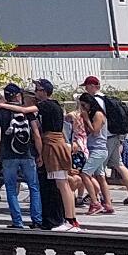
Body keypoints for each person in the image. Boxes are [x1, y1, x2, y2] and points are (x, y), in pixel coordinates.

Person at [84, 76, 128, 206]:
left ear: (92, 86)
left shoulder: (96, 101)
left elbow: (98, 121)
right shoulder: (107, 99)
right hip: (114, 136)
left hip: (105, 138)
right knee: (118, 164)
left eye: (87, 86)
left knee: (99, 169)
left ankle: (100, 195)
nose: (86, 89)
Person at [0, 82, 42, 230]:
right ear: (18, 95)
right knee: (34, 186)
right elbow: (36, 134)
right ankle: (37, 220)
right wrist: (40, 153)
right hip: (27, 153)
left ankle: (17, 221)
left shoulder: (0, 112)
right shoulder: (27, 111)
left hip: (8, 154)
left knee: (11, 188)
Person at [33, 79, 79, 231]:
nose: (35, 92)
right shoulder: (56, 106)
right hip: (58, 144)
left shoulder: (47, 105)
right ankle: (70, 219)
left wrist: (4, 105)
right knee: (63, 183)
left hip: (54, 146)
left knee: (62, 184)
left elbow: (27, 110)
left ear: (44, 91)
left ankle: (70, 220)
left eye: (37, 89)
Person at [76, 90, 114, 215]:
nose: (83, 108)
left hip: (98, 149)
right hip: (93, 148)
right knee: (100, 177)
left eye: (84, 105)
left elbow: (95, 131)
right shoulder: (93, 114)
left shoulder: (98, 114)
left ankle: (94, 202)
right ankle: (107, 204)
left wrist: (87, 119)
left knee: (85, 174)